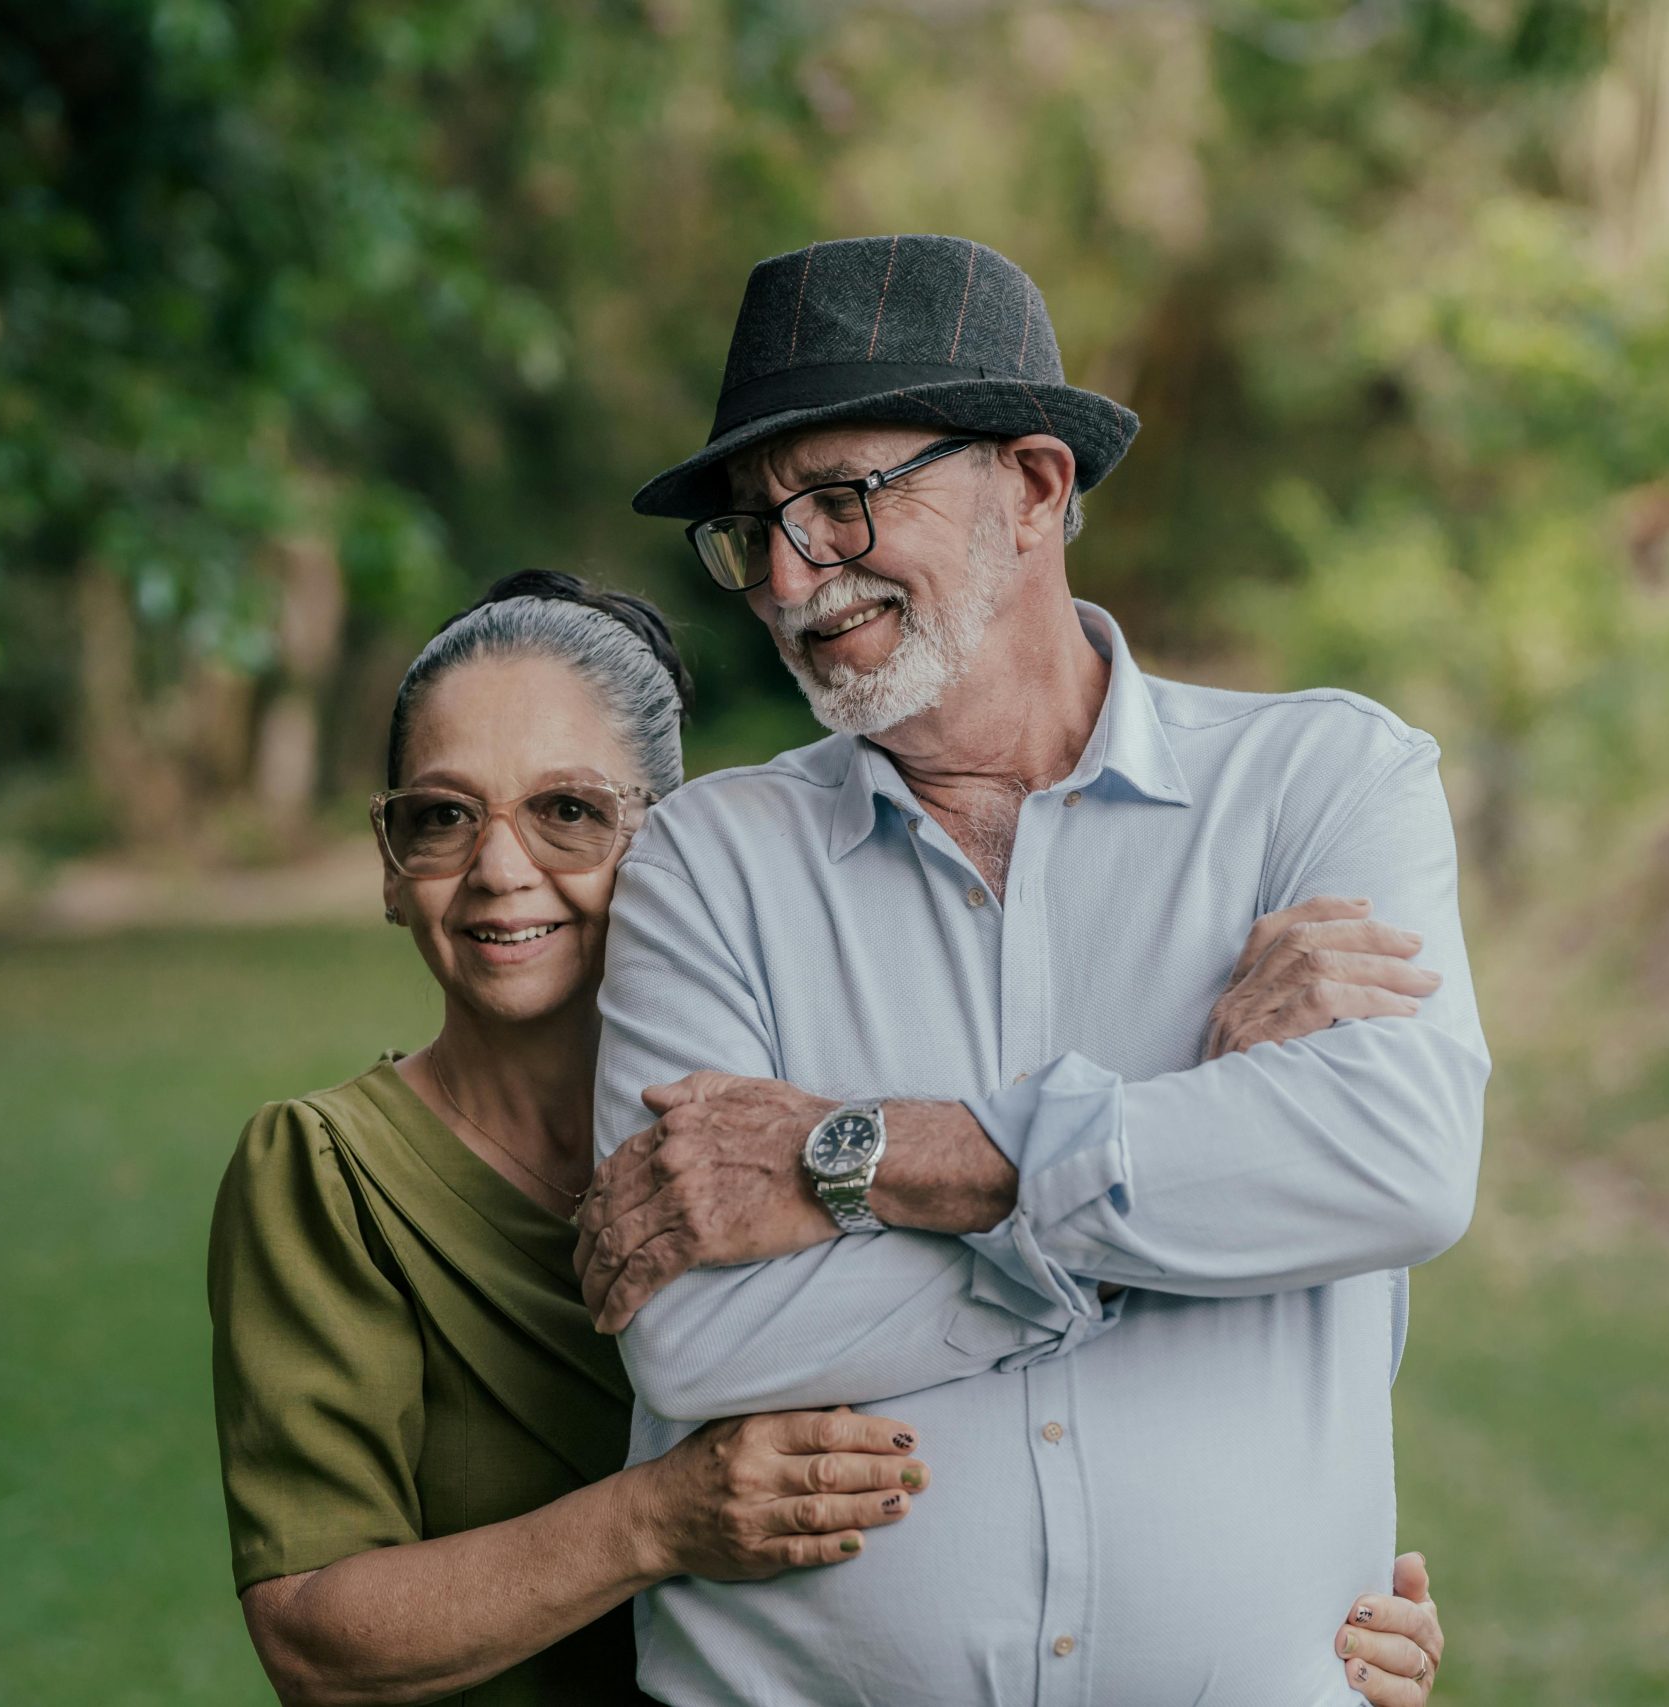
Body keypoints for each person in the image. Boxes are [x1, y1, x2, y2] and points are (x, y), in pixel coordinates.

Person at [206, 570, 1447, 1704]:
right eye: (438, 820)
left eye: (570, 813)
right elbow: (314, 1635)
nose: (499, 870)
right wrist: (657, 1523)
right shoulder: (331, 1175)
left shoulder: (825, 1075)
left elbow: (1209, 1346)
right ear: (386, 865)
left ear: (662, 843)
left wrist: (1295, 1607)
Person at [577, 235, 1486, 1706]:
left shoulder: (1323, 780)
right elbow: (697, 1330)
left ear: (1037, 485)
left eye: (845, 498)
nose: (793, 572)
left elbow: (1398, 1168)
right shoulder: (707, 862)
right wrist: (1192, 1135)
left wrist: (858, 1158)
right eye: (755, 526)